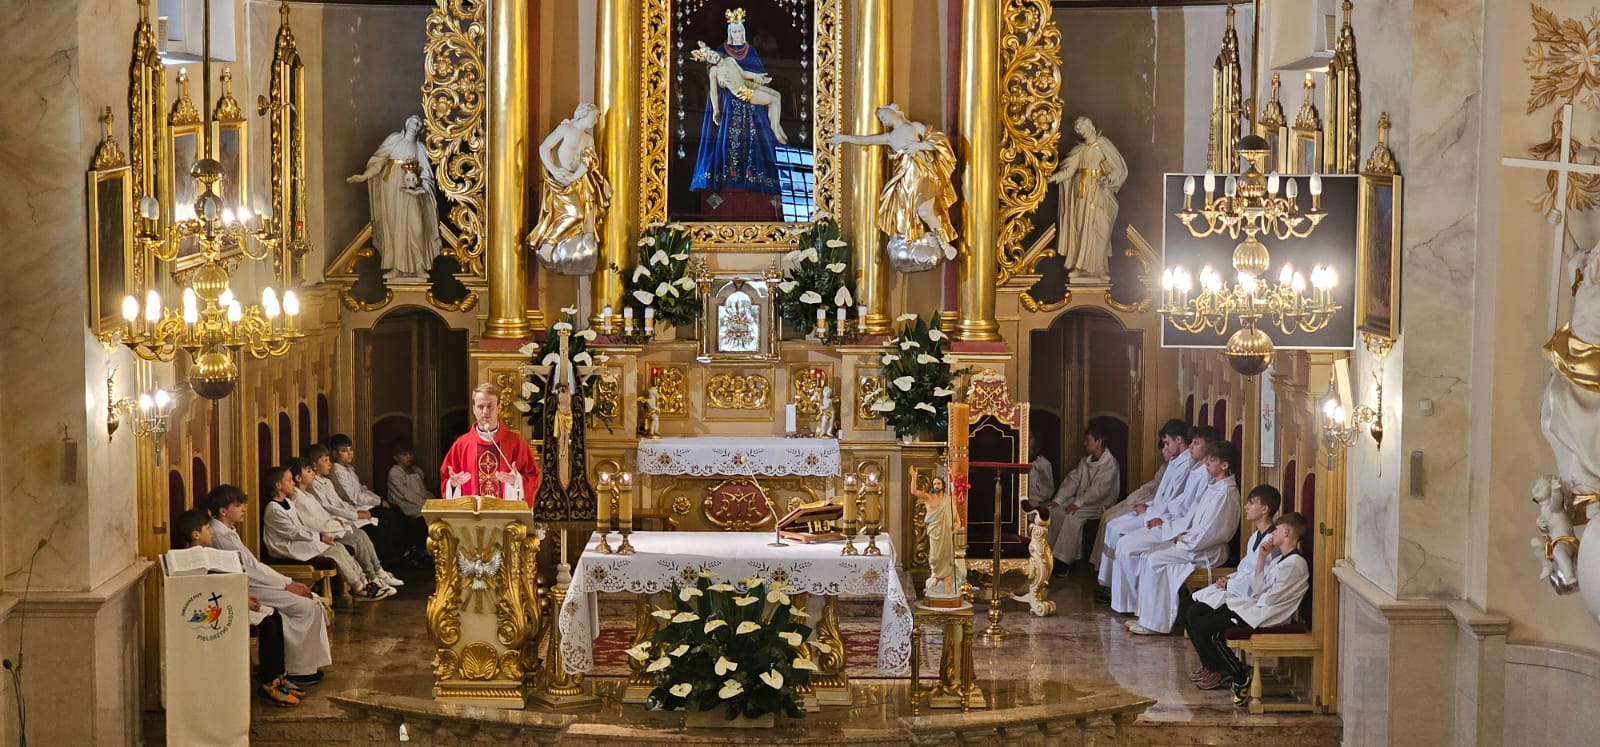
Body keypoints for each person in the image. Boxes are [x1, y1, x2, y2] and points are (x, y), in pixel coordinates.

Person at [206, 484, 332, 690]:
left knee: (311, 602)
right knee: (305, 606)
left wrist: (288, 582)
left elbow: (254, 565)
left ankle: (302, 667)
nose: (243, 509)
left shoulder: (228, 531)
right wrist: (286, 585)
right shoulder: (219, 537)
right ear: (223, 511)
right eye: (238, 505)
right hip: (246, 587)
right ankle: (297, 670)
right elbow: (248, 571)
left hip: (255, 582)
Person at [175, 507, 303, 707]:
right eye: (208, 528)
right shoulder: (191, 559)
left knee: (275, 616)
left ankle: (278, 675)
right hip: (215, 610)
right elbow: (205, 589)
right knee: (268, 624)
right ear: (196, 534)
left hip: (229, 600)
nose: (213, 532)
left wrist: (243, 596)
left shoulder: (208, 553)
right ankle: (269, 683)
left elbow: (223, 582)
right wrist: (240, 600)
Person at [1183, 512, 1310, 708]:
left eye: (1276, 529)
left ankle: (1240, 675)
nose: (1273, 533)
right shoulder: (1281, 561)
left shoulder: (1295, 564)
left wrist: (1261, 596)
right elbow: (1259, 588)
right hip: (1254, 606)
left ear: (1286, 532)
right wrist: (1261, 557)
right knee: (1197, 614)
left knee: (1212, 630)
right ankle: (1219, 667)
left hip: (1267, 614)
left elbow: (1273, 597)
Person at [1126, 439, 1243, 635]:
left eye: (1212, 460)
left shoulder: (1226, 494)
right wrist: (1185, 534)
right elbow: (1201, 523)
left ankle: (1156, 624)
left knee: (1154, 560)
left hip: (1209, 551)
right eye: (1207, 460)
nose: (1206, 464)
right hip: (1196, 543)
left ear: (1225, 464)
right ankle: (1147, 618)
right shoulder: (1214, 487)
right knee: (1147, 556)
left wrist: (1186, 539)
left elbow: (1213, 532)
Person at [1106, 426, 1219, 612]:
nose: (1191, 447)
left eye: (1196, 443)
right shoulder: (1197, 470)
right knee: (1124, 543)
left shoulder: (1207, 478)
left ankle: (1136, 606)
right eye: (1191, 442)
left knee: (1131, 549)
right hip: (1173, 522)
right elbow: (1180, 503)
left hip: (1182, 531)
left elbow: (1196, 517)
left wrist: (1166, 522)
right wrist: (1159, 516)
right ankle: (1128, 603)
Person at [829, 104, 959, 261]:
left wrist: (919, 145)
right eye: (880, 118)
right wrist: (843, 138)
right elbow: (867, 140)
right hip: (904, 181)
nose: (882, 119)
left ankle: (944, 244)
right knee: (904, 214)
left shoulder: (914, 126)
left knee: (925, 212)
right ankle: (911, 243)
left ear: (894, 111)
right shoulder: (889, 137)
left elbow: (938, 141)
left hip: (922, 174)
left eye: (883, 115)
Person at [688, 9, 783, 217]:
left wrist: (758, 78)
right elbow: (713, 86)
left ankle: (775, 131)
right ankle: (728, 180)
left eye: (740, 32)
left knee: (764, 121)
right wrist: (717, 108)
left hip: (750, 106)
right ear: (730, 33)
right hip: (730, 105)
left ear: (743, 32)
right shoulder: (720, 52)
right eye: (735, 32)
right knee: (727, 145)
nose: (738, 36)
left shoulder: (751, 52)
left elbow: (749, 73)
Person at [1188, 485, 1282, 688]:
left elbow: (1262, 579)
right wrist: (1228, 579)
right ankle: (1210, 665)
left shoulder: (1271, 542)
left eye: (1251, 503)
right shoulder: (1254, 537)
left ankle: (1226, 670)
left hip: (1250, 597)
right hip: (1238, 588)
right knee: (1191, 611)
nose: (1246, 507)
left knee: (1202, 620)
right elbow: (1245, 569)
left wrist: (1231, 583)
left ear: (1264, 509)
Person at [262, 465, 394, 602]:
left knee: (339, 547)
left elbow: (299, 527)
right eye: (289, 480)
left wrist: (320, 537)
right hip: (287, 547)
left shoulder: (288, 502)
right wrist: (320, 537)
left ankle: (364, 582)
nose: (293, 483)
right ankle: (358, 588)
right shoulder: (273, 509)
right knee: (334, 552)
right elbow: (293, 532)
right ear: (278, 485)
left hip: (301, 540)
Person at [1091, 419, 1189, 582]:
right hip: (1154, 509)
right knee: (1112, 525)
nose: (1164, 448)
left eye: (1166, 443)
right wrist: (1147, 507)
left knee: (1118, 532)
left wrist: (1150, 512)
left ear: (1178, 440)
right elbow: (1162, 495)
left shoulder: (1186, 465)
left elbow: (1176, 503)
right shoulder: (1175, 461)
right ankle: (1106, 579)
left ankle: (1111, 582)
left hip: (1163, 518)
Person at [347, 114, 440, 280]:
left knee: (416, 228)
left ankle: (419, 265)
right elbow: (379, 162)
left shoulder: (420, 148)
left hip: (412, 192)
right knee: (394, 226)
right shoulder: (394, 139)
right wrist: (364, 176)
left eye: (419, 122)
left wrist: (423, 188)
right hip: (391, 188)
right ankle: (396, 266)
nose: (416, 123)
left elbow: (426, 175)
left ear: (420, 129)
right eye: (413, 120)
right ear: (406, 122)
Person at [289, 457, 403, 590]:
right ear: (298, 478)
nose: (313, 473)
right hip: (324, 534)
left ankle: (377, 572)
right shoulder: (299, 499)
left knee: (360, 534)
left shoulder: (306, 495)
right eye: (308, 471)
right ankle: (368, 579)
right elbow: (314, 523)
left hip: (332, 526)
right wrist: (337, 524)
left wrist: (339, 521)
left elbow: (326, 512)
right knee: (355, 540)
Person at [527, 102, 610, 275]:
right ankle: (549, 244)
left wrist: (574, 176)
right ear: (584, 114)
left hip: (577, 182)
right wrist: (554, 170)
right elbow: (544, 148)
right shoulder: (565, 129)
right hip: (560, 182)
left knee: (585, 215)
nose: (595, 122)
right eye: (593, 117)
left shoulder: (588, 139)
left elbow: (588, 163)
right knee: (576, 214)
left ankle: (579, 250)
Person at [1029, 425, 1120, 573]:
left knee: (1072, 517)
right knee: (1054, 511)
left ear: (1099, 442)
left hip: (1099, 505)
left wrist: (1078, 504)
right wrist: (1058, 500)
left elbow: (1099, 490)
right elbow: (1072, 481)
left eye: (1088, 440)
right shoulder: (1085, 461)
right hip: (1080, 500)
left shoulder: (1110, 464)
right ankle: (1048, 555)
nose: (1085, 444)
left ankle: (1063, 561)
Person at [1048, 116, 1127, 283]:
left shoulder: (1103, 144)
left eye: (1082, 126)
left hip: (1099, 191)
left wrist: (1109, 178)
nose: (1080, 130)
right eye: (1077, 128)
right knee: (1081, 227)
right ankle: (1080, 266)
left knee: (1099, 228)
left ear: (1090, 125)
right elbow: (1069, 171)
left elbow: (1118, 167)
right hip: (1081, 195)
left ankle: (1099, 267)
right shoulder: (1080, 150)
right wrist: (1051, 179)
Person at [442, 382, 540, 506]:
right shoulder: (462, 445)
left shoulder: (515, 442)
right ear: (473, 409)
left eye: (490, 406)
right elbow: (446, 478)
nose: (485, 411)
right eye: (480, 406)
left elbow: (532, 476)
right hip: (472, 519)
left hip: (506, 519)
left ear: (499, 408)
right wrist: (453, 485)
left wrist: (517, 482)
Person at [304, 444, 398, 566]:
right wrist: (355, 515)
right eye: (325, 461)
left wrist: (357, 513)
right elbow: (329, 507)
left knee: (382, 523)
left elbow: (339, 502)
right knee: (377, 529)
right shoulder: (314, 485)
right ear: (314, 465)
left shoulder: (326, 481)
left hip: (347, 514)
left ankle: (379, 566)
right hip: (336, 519)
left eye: (329, 460)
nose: (329, 464)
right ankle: (381, 565)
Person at [328, 434, 411, 566]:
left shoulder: (349, 468)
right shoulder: (337, 471)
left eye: (350, 450)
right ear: (335, 453)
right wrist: (378, 502)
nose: (349, 454)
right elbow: (354, 498)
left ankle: (403, 552)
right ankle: (391, 558)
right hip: (356, 507)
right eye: (344, 451)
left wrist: (379, 499)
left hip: (365, 504)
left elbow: (362, 489)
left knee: (396, 511)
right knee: (388, 518)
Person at [385, 439, 436, 564]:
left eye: (410, 454)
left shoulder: (417, 471)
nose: (409, 457)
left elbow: (422, 490)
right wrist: (422, 503)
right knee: (421, 515)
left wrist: (431, 500)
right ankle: (420, 550)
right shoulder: (395, 472)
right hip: (403, 504)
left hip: (419, 500)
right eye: (404, 454)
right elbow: (404, 493)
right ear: (396, 457)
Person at [911, 476, 957, 600]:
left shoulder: (948, 500)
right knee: (935, 555)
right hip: (934, 532)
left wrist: (955, 528)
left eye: (938, 483)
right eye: (934, 483)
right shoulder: (928, 497)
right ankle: (936, 576)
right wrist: (912, 477)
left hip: (946, 532)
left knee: (946, 554)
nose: (936, 485)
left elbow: (956, 518)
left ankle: (946, 579)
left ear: (943, 485)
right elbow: (914, 492)